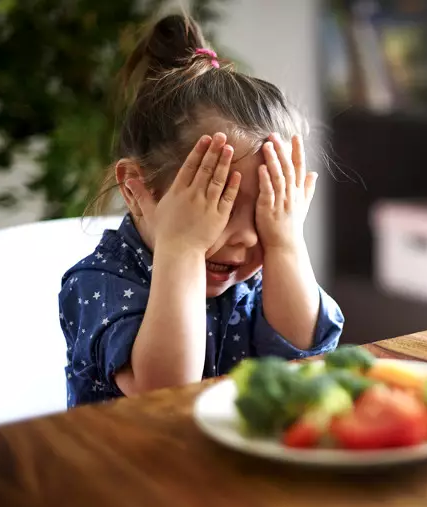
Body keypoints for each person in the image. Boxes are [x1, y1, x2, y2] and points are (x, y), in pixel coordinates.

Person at [58, 14, 344, 407]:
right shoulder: (100, 282)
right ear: (136, 189)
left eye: (265, 212)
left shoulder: (260, 274)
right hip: (125, 464)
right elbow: (165, 391)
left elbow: (307, 355)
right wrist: (183, 249)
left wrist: (284, 243)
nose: (246, 237)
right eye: (219, 208)